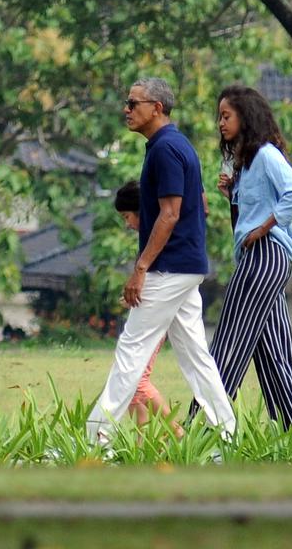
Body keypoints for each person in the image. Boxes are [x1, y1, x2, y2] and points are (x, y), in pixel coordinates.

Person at [85, 78, 236, 445]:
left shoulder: (166, 149)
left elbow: (170, 214)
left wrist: (141, 269)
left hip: (169, 267)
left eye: (133, 103)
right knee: (196, 356)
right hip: (186, 265)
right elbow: (197, 202)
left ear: (157, 107)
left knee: (131, 351)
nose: (127, 109)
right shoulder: (174, 145)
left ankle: (96, 440)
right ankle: (226, 437)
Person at [204, 85, 292, 427]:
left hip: (265, 256)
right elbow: (247, 218)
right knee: (273, 354)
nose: (220, 123)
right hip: (260, 258)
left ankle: (204, 429)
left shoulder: (265, 154)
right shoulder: (247, 163)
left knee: (229, 342)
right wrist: (231, 194)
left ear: (245, 117)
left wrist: (266, 227)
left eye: (226, 115)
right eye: (219, 116)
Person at [113, 181, 183, 437]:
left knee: (135, 380)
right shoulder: (148, 238)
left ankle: (178, 435)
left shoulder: (160, 237)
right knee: (129, 384)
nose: (127, 223)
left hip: (157, 313)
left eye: (127, 216)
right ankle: (143, 446)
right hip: (151, 309)